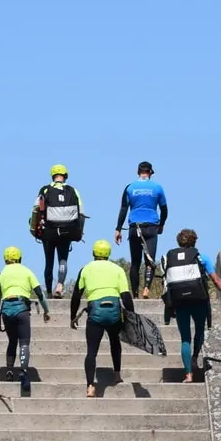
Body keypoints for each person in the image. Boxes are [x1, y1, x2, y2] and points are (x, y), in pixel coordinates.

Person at [160, 229, 221, 382]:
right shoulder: (201, 257)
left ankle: (188, 374)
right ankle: (194, 357)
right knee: (200, 330)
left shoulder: (170, 258)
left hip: (180, 302)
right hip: (199, 300)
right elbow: (216, 280)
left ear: (178, 241)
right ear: (194, 241)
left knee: (185, 339)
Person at [69, 239, 135, 397]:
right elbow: (126, 296)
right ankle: (117, 374)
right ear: (109, 254)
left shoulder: (86, 269)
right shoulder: (118, 269)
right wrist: (131, 317)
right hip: (114, 312)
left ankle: (90, 386)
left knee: (91, 351)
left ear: (93, 253)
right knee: (115, 342)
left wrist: (73, 316)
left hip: (95, 312)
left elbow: (76, 295)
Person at [0, 246, 49, 381]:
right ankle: (23, 371)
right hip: (22, 309)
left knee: (12, 340)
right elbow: (40, 294)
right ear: (20, 258)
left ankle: (9, 370)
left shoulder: (1, 274)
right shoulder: (27, 271)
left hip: (6, 310)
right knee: (24, 342)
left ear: (5, 259)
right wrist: (46, 310)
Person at [114, 161, 167, 298]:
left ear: (138, 172)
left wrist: (118, 229)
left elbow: (123, 209)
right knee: (150, 260)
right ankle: (146, 289)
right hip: (151, 227)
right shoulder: (157, 188)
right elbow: (164, 209)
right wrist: (161, 224)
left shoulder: (130, 188)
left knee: (135, 262)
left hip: (134, 228)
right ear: (150, 173)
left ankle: (135, 295)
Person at [33, 164, 84, 298]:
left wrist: (35, 229)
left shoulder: (45, 190)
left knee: (49, 261)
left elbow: (36, 209)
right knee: (63, 259)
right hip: (67, 231)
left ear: (52, 175)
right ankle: (60, 285)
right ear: (65, 176)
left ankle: (49, 293)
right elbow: (81, 214)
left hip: (48, 231)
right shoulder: (73, 190)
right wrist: (79, 232)